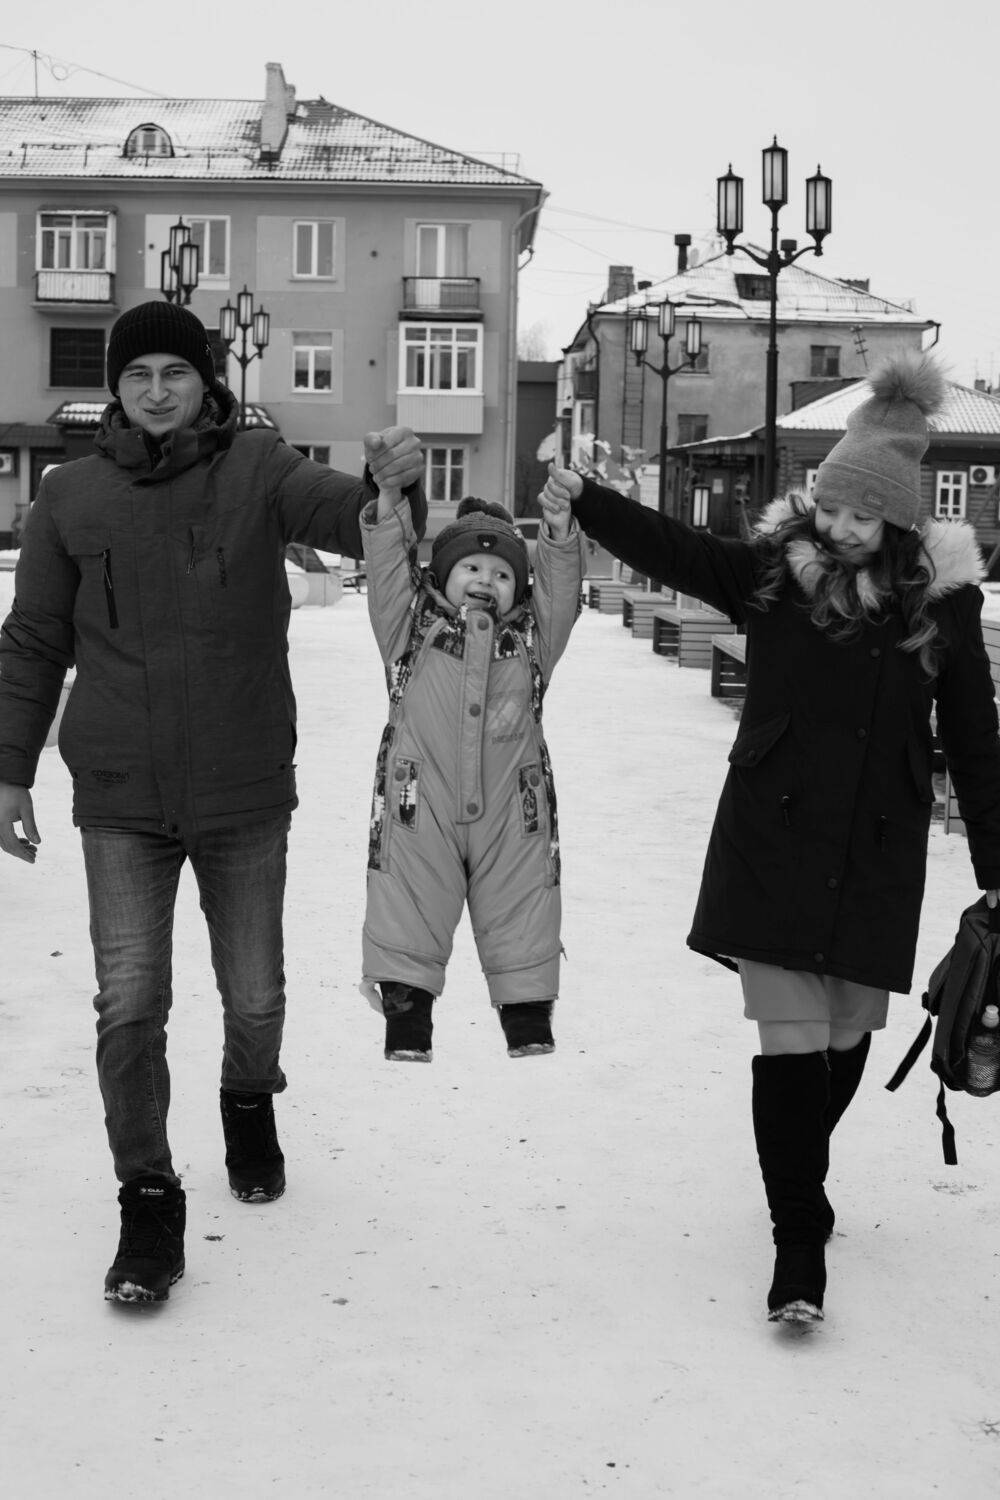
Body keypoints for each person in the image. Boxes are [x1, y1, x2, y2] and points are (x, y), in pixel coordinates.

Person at [542, 351, 1000, 1325]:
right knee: (789, 1041)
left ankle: (800, 1176)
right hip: (775, 838)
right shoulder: (773, 576)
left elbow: (975, 744)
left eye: (864, 516)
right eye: (832, 507)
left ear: (901, 522)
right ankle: (798, 1245)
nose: (841, 528)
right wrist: (588, 500)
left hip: (876, 852)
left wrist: (997, 873)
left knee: (843, 1043)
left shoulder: (943, 608)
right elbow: (676, 550)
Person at [0, 300, 426, 1305]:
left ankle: (247, 1100)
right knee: (129, 1001)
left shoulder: (259, 469)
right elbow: (33, 640)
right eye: (137, 374)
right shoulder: (67, 496)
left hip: (241, 786)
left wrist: (393, 481)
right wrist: (11, 768)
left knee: (255, 991)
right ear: (116, 387)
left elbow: (355, 521)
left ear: (207, 383)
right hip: (119, 791)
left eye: (175, 373)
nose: (157, 391)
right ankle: (148, 1199)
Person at [358, 474, 585, 1061]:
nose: (486, 580)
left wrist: (558, 536)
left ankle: (527, 1014)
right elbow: (386, 575)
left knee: (521, 896)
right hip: (419, 798)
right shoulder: (409, 629)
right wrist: (389, 511)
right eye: (471, 568)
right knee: (409, 895)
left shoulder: (534, 639)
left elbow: (559, 593)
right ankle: (407, 1016)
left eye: (503, 574)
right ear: (441, 576)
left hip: (513, 803)